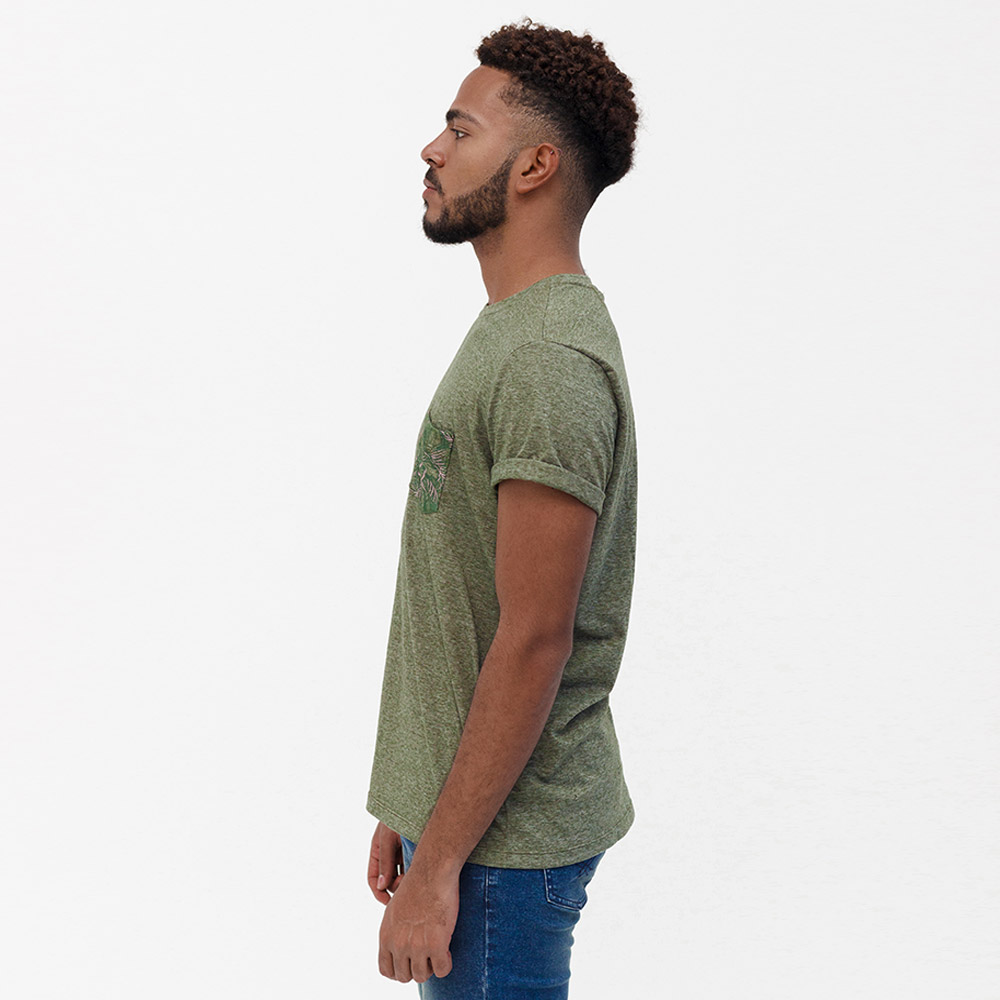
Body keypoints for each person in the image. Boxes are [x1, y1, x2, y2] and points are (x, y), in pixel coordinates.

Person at [365, 20, 641, 998]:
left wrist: (439, 864)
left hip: (501, 857)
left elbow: (534, 639)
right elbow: (466, 600)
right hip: (473, 833)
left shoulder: (544, 361)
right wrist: (413, 804)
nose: (432, 149)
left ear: (533, 166)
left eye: (460, 129)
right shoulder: (512, 330)